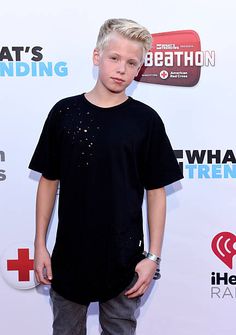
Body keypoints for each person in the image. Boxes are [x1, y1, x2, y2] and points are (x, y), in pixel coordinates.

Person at [29, 18, 183, 335]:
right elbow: (48, 181)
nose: (121, 69)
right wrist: (40, 245)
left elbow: (156, 192)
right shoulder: (64, 113)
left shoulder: (146, 121)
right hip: (68, 259)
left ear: (140, 69)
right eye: (114, 58)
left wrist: (153, 257)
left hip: (126, 262)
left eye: (131, 63)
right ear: (97, 56)